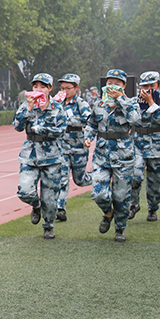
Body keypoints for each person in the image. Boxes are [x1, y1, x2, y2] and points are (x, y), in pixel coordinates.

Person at [83, 69, 141, 242]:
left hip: (123, 156)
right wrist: (87, 138)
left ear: (123, 85)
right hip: (101, 156)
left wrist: (121, 100)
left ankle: (120, 228)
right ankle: (108, 213)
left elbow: (136, 120)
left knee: (121, 196)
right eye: (109, 83)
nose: (112, 86)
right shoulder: (99, 104)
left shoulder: (131, 103)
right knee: (98, 194)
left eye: (116, 83)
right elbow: (92, 124)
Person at [12, 73, 68, 239]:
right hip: (30, 155)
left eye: (43, 86)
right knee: (24, 190)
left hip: (52, 156)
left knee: (50, 197)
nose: (38, 89)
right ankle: (36, 206)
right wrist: (28, 109)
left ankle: (48, 226)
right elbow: (16, 126)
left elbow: (62, 130)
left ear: (50, 89)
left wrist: (43, 129)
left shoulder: (57, 108)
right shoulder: (26, 105)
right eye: (35, 86)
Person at [129, 71, 160, 222]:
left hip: (158, 145)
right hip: (138, 143)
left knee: (155, 183)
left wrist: (152, 103)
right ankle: (133, 205)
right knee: (134, 175)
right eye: (144, 86)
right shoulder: (135, 101)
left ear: (158, 86)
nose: (147, 89)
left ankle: (153, 208)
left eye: (151, 86)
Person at [55, 73, 92, 222]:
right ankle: (60, 208)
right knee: (62, 178)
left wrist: (68, 120)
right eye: (62, 88)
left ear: (76, 88)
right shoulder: (58, 102)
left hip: (78, 146)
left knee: (80, 180)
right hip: (62, 146)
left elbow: (88, 120)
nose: (65, 91)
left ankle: (99, 177)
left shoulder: (81, 103)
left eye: (68, 88)